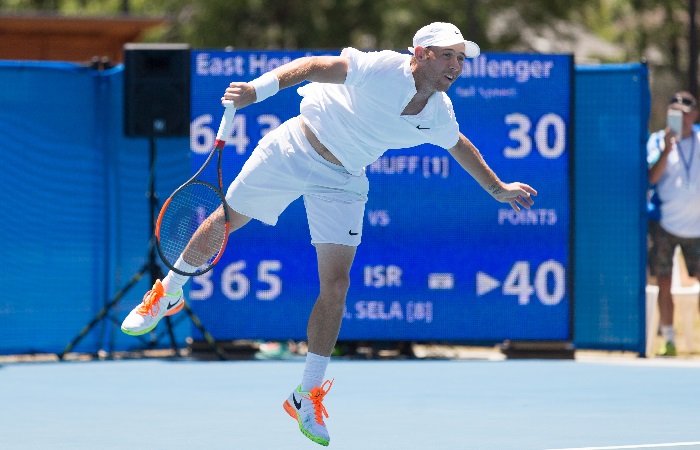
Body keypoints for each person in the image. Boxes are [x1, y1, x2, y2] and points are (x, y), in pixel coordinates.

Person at [121, 22, 537, 446]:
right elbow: (315, 65)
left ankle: (307, 393)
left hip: (343, 179)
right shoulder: (381, 69)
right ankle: (168, 291)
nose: (456, 65)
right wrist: (256, 92)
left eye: (461, 58)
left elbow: (459, 145)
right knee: (227, 218)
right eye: (447, 55)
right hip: (294, 147)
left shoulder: (439, 113)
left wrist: (497, 189)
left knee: (336, 285)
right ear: (420, 54)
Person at [647, 90, 700, 357]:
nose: (681, 115)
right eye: (675, 111)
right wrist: (666, 150)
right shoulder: (658, 140)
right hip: (667, 225)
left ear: (694, 114)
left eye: (685, 111)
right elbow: (652, 178)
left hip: (698, 229)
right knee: (664, 283)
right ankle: (668, 339)